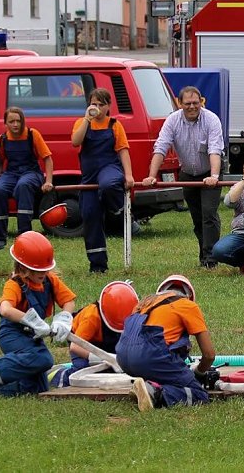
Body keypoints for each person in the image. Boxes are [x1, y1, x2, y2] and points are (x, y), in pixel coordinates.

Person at [0, 231, 76, 396]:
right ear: (23, 267)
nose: (43, 274)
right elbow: (5, 309)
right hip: (12, 334)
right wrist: (32, 321)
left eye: (46, 269)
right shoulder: (14, 284)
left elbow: (69, 301)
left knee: (38, 388)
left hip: (33, 336)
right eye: (38, 270)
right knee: (44, 359)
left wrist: (64, 318)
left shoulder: (50, 280)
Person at [142, 86, 223, 269]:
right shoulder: (172, 121)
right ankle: (204, 255)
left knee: (209, 214)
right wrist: (151, 176)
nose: (192, 107)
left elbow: (215, 150)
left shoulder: (211, 119)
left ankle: (211, 259)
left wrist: (214, 176)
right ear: (179, 103)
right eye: (188, 104)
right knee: (197, 217)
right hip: (188, 173)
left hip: (209, 171)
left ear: (201, 101)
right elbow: (161, 147)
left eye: (196, 103)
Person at [116, 275, 217, 411]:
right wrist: (198, 373)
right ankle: (155, 392)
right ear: (188, 296)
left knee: (163, 373)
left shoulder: (142, 304)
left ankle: (146, 386)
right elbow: (209, 355)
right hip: (151, 358)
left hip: (123, 359)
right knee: (198, 394)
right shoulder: (187, 305)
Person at [71, 88, 134, 273]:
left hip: (109, 167)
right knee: (90, 216)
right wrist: (86, 120)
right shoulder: (81, 123)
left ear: (108, 107)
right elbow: (76, 142)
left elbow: (123, 150)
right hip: (89, 176)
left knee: (109, 184)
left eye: (101, 104)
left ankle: (118, 211)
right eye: (94, 104)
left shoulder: (115, 124)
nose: (97, 107)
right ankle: (98, 265)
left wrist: (129, 175)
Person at [47, 281, 140, 388]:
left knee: (117, 371)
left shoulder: (130, 313)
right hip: (83, 344)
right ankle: (56, 375)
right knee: (81, 373)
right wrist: (103, 358)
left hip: (106, 343)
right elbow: (75, 347)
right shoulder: (91, 317)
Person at [0, 107, 54, 250]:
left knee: (23, 186)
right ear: (5, 123)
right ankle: (0, 237)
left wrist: (48, 181)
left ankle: (24, 235)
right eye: (11, 121)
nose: (15, 124)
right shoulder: (2, 138)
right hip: (11, 173)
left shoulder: (32, 134)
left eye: (18, 121)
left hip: (31, 172)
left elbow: (47, 159)